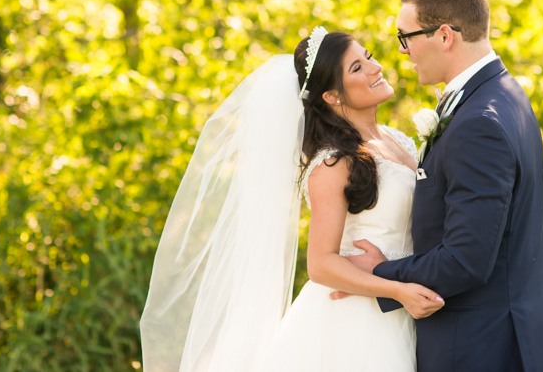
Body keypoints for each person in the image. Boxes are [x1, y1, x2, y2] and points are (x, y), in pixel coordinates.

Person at [140, 27, 442, 372]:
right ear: (332, 96)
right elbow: (321, 263)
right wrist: (396, 290)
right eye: (356, 68)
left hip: (407, 300)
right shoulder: (334, 162)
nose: (375, 68)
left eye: (368, 57)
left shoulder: (397, 139)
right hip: (360, 319)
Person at [337, 0, 543, 372]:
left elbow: (465, 259)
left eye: (405, 37)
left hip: (481, 348)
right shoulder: (503, 93)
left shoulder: (479, 122)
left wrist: (379, 271)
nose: (402, 52)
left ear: (444, 36)